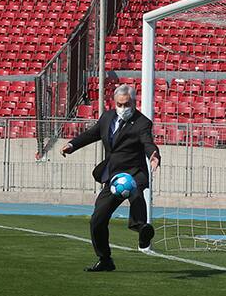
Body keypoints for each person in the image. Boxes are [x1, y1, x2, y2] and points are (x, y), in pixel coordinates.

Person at [61, 84, 160, 272]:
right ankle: (105, 259)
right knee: (97, 220)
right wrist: (72, 145)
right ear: (114, 103)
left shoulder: (142, 123)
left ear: (134, 103)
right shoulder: (107, 118)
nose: (123, 108)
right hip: (113, 176)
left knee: (136, 194)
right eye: (119, 104)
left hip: (133, 172)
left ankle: (142, 230)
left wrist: (154, 155)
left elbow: (147, 142)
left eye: (127, 104)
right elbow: (91, 134)